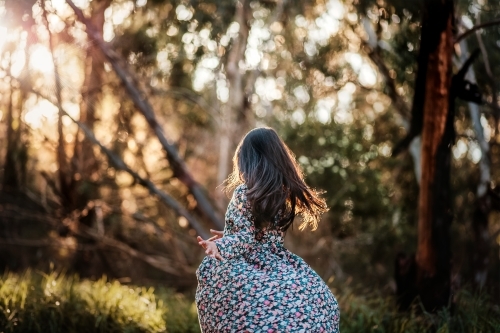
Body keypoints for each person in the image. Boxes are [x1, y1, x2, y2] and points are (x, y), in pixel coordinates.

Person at [196, 127, 340, 332]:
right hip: (277, 261)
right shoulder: (280, 194)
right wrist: (228, 235)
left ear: (248, 161)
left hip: (248, 262)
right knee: (302, 301)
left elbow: (245, 239)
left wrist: (218, 247)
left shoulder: (244, 192)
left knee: (218, 283)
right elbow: (257, 234)